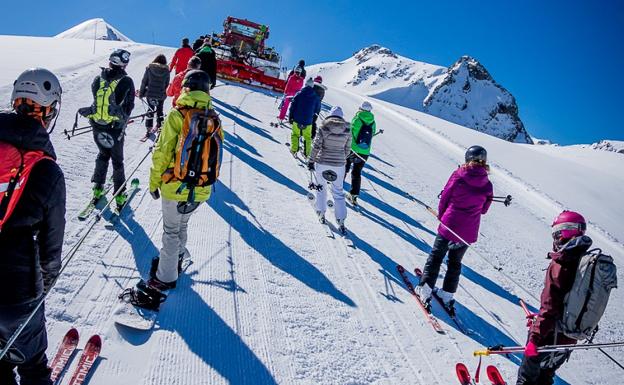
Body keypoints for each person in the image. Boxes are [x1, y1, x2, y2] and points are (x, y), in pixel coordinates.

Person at [0, 68, 65, 385]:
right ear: (49, 110)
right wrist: (42, 290)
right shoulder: (47, 170)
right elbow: (51, 251)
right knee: (32, 365)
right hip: (19, 292)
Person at [148, 70, 219, 291]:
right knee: (182, 224)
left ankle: (165, 277)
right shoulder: (214, 117)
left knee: (171, 230)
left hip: (175, 185)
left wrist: (153, 183)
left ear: (185, 88)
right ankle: (175, 259)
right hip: (202, 188)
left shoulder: (177, 114)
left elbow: (162, 152)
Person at [516, 211, 593, 385]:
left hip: (548, 337)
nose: (555, 239)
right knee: (546, 374)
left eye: (557, 234)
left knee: (527, 377)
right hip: (569, 336)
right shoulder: (586, 261)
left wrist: (535, 336)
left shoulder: (562, 263)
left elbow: (549, 307)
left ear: (565, 232)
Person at [415, 145, 493, 315]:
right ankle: (447, 294)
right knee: (455, 262)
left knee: (436, 256)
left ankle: (425, 289)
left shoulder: (458, 175)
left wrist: (442, 216)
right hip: (468, 231)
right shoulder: (487, 184)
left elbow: (445, 197)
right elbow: (484, 209)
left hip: (450, 224)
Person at [86, 49, 135, 211]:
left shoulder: (98, 79)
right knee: (117, 161)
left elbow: (96, 99)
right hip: (115, 129)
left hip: (97, 126)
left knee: (102, 154)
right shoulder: (127, 81)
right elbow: (129, 106)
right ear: (125, 63)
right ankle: (120, 195)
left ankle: (98, 188)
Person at [307, 106, 351, 233]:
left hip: (322, 162)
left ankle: (321, 212)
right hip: (339, 165)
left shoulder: (323, 128)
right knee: (338, 192)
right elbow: (347, 150)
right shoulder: (347, 130)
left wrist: (311, 161)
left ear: (330, 116)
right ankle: (341, 220)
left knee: (321, 188)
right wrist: (341, 158)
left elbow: (316, 146)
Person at [344, 101, 379, 205]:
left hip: (352, 148)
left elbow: (350, 132)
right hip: (365, 151)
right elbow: (371, 134)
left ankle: (337, 185)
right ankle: (354, 195)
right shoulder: (373, 122)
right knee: (357, 172)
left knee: (345, 166)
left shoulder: (357, 118)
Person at [289, 77, 321, 158]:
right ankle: (307, 154)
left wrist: (290, 117)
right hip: (308, 121)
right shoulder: (316, 97)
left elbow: (292, 106)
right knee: (307, 137)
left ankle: (294, 150)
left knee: (295, 135)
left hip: (297, 119)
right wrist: (313, 119)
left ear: (305, 84)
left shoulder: (299, 94)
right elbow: (317, 110)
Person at [139, 54, 170, 136]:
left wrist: (141, 94)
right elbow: (167, 84)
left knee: (150, 110)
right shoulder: (166, 71)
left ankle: (149, 128)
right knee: (160, 110)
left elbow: (144, 81)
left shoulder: (149, 68)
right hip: (160, 94)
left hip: (150, 94)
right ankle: (160, 127)